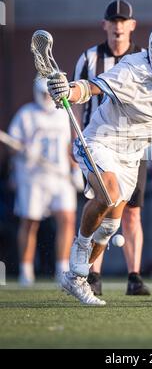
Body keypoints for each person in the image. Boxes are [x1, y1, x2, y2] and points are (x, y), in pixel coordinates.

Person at [47, 19, 152, 306]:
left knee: (109, 228)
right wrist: (67, 91)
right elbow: (91, 87)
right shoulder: (133, 67)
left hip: (133, 154)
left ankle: (76, 277)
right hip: (101, 140)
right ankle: (81, 246)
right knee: (108, 192)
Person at [73, 0, 149, 296]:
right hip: (98, 144)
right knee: (103, 203)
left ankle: (134, 275)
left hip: (133, 147)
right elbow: (77, 101)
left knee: (132, 211)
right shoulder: (90, 58)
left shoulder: (144, 57)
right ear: (105, 24)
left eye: (123, 20)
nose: (118, 26)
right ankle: (93, 274)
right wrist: (74, 138)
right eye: (113, 20)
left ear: (132, 25)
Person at [8, 76, 77, 285]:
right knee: (30, 222)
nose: (47, 97)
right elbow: (12, 144)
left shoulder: (64, 114)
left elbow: (70, 145)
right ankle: (26, 270)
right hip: (33, 177)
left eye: (50, 93)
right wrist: (23, 151)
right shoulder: (26, 114)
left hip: (60, 176)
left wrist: (75, 170)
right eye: (44, 94)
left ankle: (62, 268)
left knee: (67, 219)